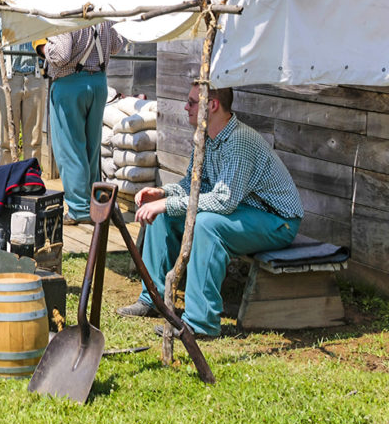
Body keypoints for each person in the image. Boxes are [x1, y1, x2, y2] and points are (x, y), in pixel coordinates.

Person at [117, 85, 304, 339]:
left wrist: (168, 202)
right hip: (242, 211)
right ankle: (152, 300)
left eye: (192, 102)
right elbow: (192, 186)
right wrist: (163, 194)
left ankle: (200, 323)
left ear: (213, 105)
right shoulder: (205, 137)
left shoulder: (240, 141)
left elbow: (224, 201)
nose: (186, 107)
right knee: (164, 215)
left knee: (206, 224)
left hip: (277, 221)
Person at [33, 0, 126, 225]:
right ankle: (94, 204)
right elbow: (117, 44)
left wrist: (40, 46)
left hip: (69, 83)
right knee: (91, 148)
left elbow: (60, 55)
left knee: (70, 149)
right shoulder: (99, 10)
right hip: (98, 84)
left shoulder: (66, 11)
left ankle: (78, 209)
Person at [0, 0, 44, 166]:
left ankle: (31, 180)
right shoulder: (1, 23)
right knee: (5, 138)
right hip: (8, 80)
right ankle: (6, 178)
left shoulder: (39, 22)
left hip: (34, 80)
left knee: (33, 139)